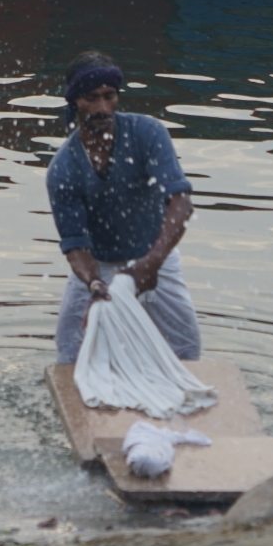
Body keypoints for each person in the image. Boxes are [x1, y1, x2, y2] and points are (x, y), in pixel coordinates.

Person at [47, 50, 199, 364]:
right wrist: (94, 284)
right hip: (97, 264)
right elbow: (75, 245)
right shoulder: (64, 168)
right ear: (75, 102)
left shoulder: (147, 134)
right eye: (92, 98)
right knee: (69, 353)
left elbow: (180, 202)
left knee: (185, 346)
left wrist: (151, 263)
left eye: (109, 96)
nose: (102, 108)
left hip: (154, 253)